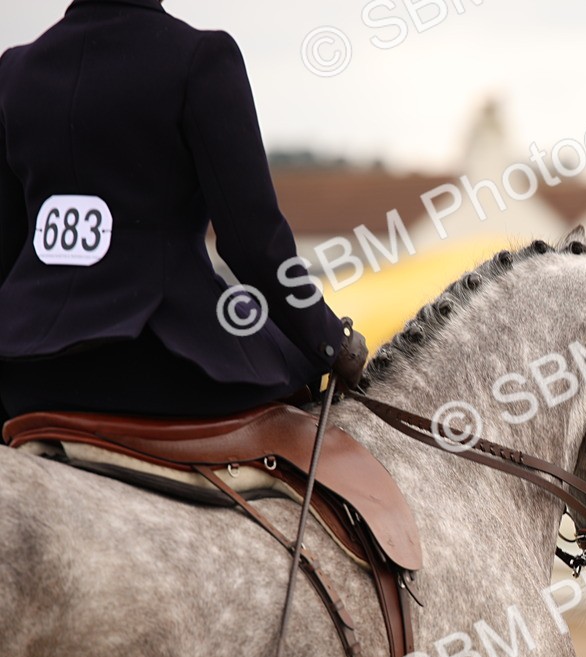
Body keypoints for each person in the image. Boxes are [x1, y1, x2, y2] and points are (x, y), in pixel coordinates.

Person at [0, 0, 366, 429]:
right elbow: (252, 245)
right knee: (300, 374)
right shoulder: (202, 58)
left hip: (24, 370)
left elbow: (8, 246)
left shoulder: (13, 71)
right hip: (162, 361)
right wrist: (328, 343)